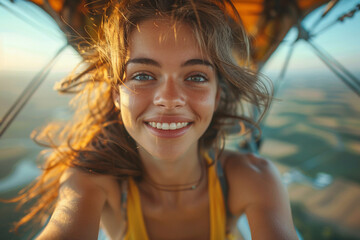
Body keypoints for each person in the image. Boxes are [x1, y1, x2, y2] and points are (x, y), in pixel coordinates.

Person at [8, 0, 298, 239]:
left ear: (217, 96)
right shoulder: (90, 181)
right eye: (143, 76)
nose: (169, 98)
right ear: (116, 95)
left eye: (196, 77)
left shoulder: (254, 179)